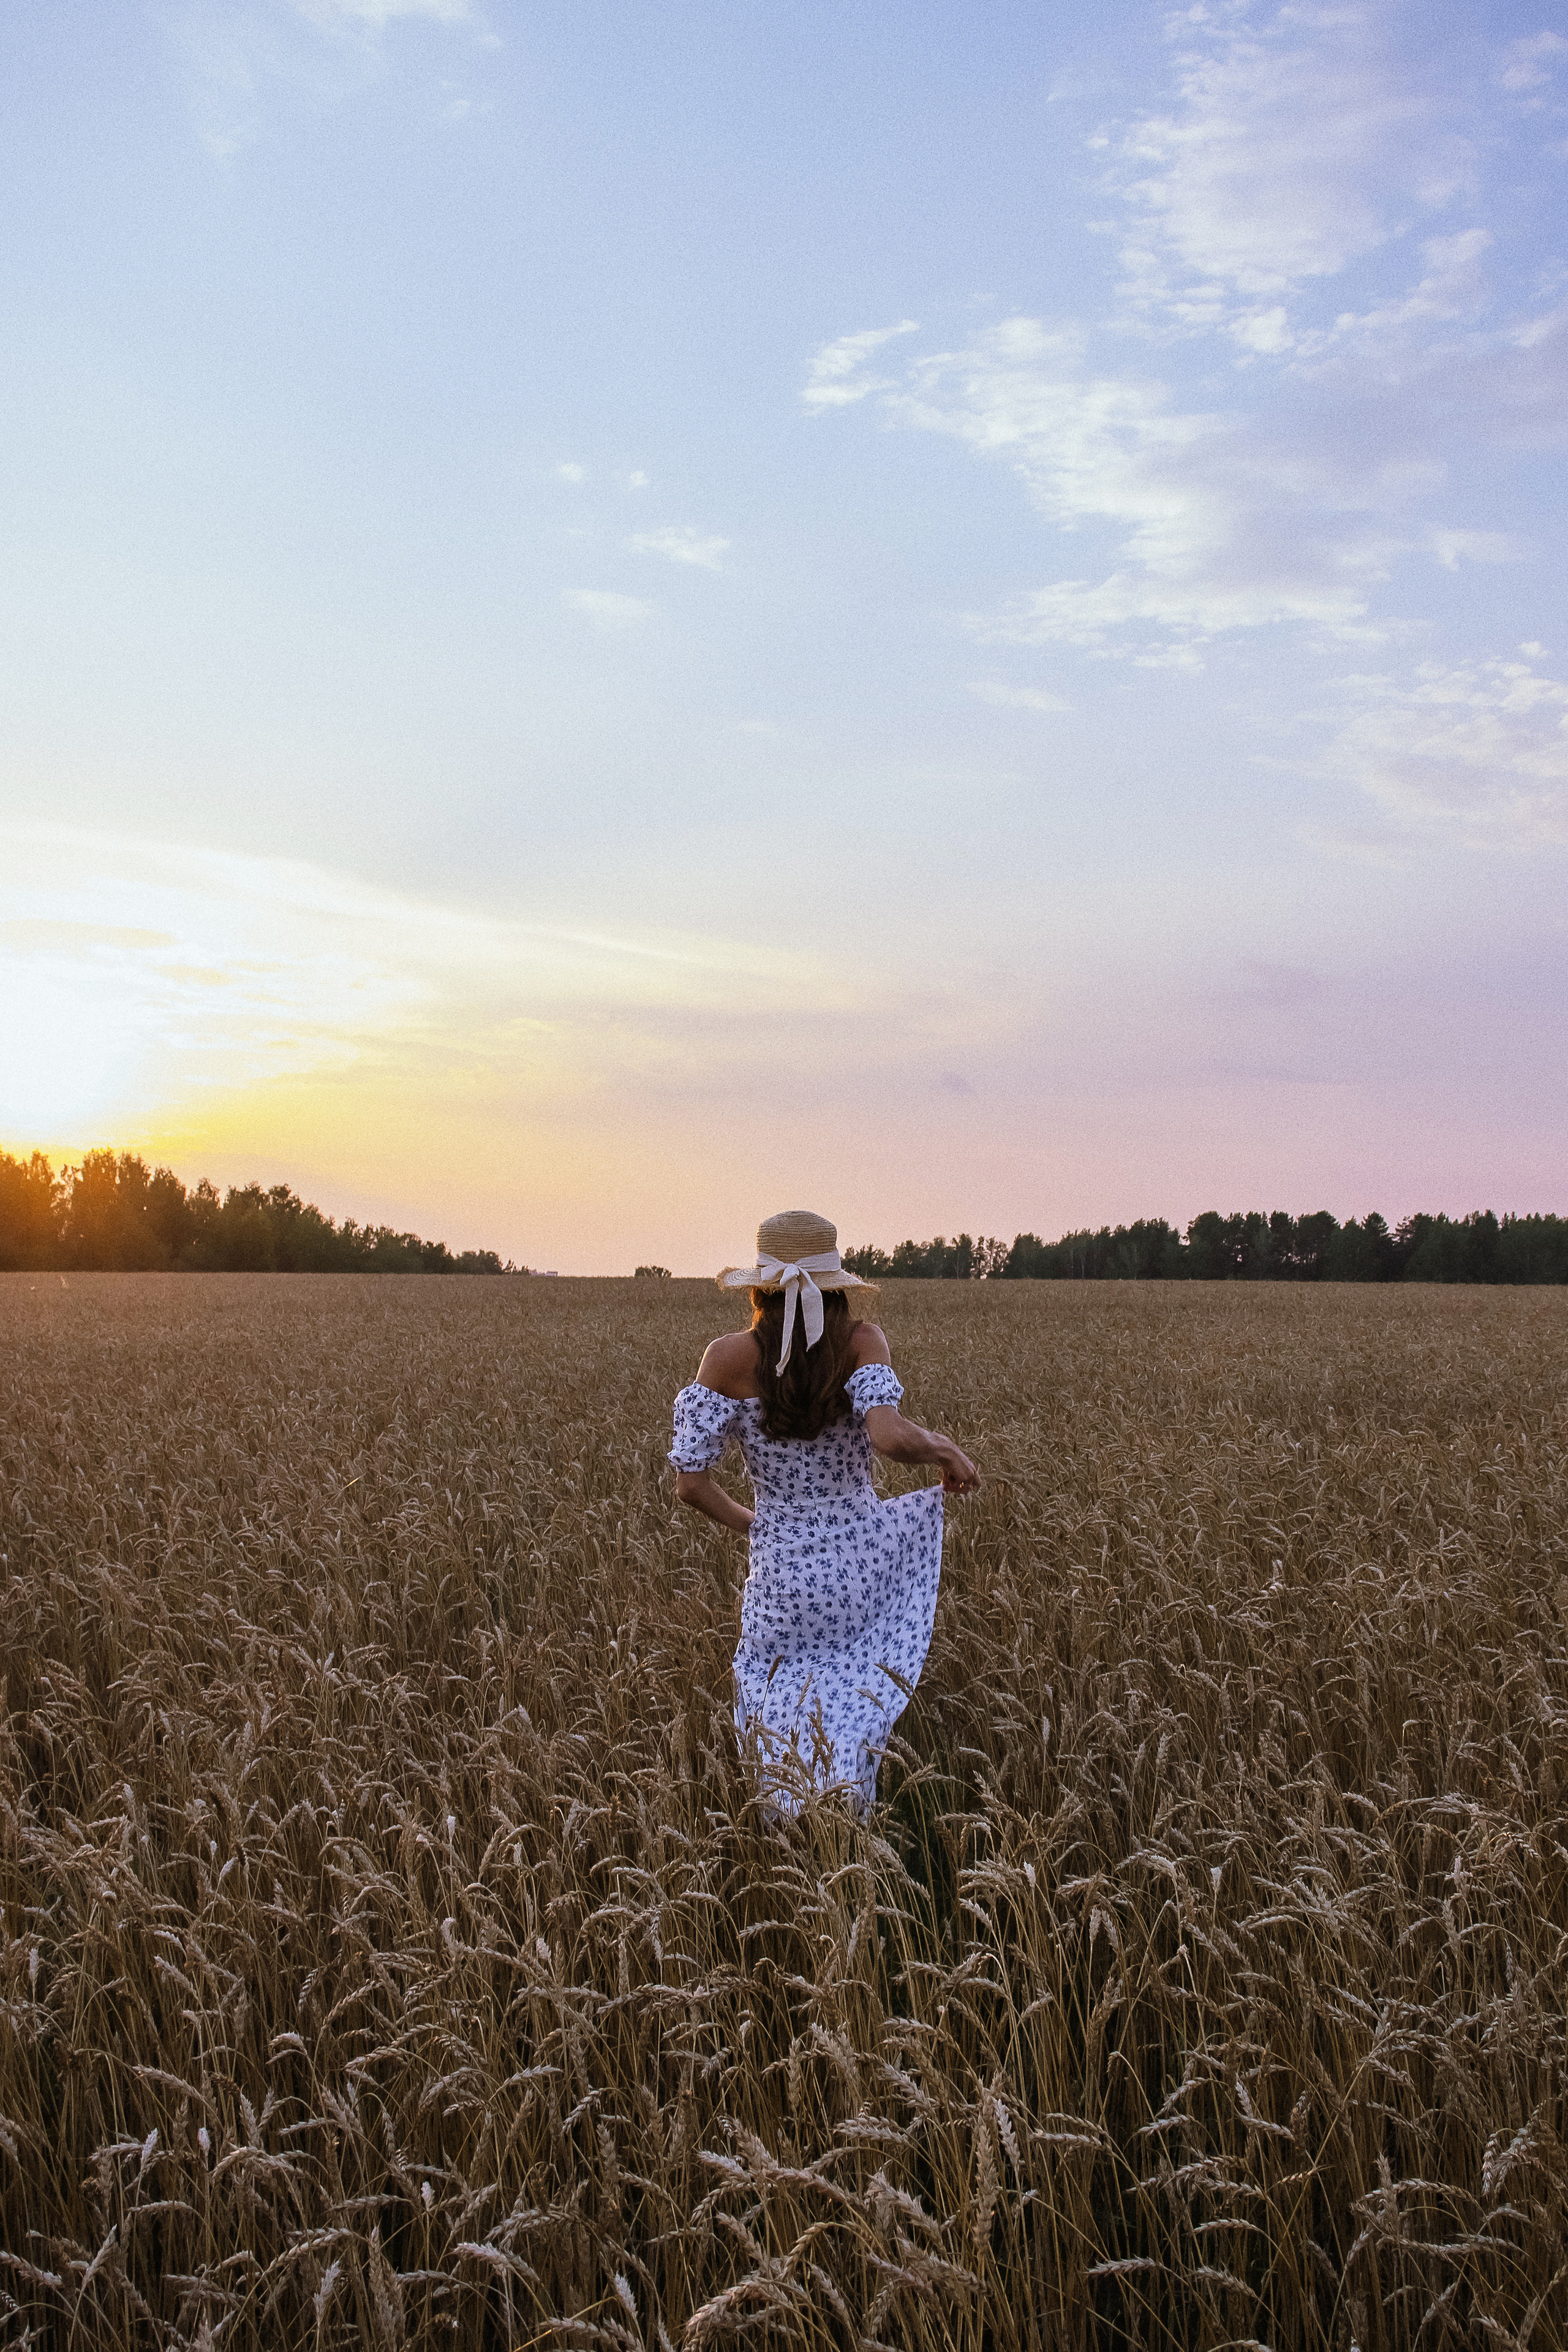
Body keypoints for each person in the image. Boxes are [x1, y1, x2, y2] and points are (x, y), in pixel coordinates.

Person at [669, 1208, 980, 1814]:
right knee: (854, 1698)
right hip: (860, 1561)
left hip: (782, 1571)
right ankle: (849, 1825)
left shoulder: (726, 1357)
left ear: (760, 1286)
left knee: (776, 1696)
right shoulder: (860, 1342)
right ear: (836, 1285)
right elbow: (889, 1438)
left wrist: (757, 1527)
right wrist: (946, 1450)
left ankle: (789, 1828)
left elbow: (690, 1484)